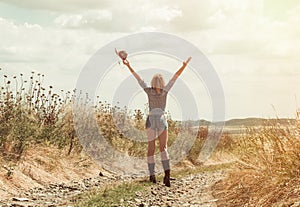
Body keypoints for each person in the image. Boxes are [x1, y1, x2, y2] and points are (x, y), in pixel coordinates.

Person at [123, 56, 192, 187]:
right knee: (163, 148)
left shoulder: (148, 91)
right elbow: (175, 77)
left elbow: (138, 79)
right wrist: (183, 66)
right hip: (161, 119)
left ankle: (152, 175)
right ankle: (167, 175)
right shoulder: (165, 91)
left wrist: (128, 65)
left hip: (150, 120)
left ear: (153, 82)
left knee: (151, 148)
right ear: (162, 82)